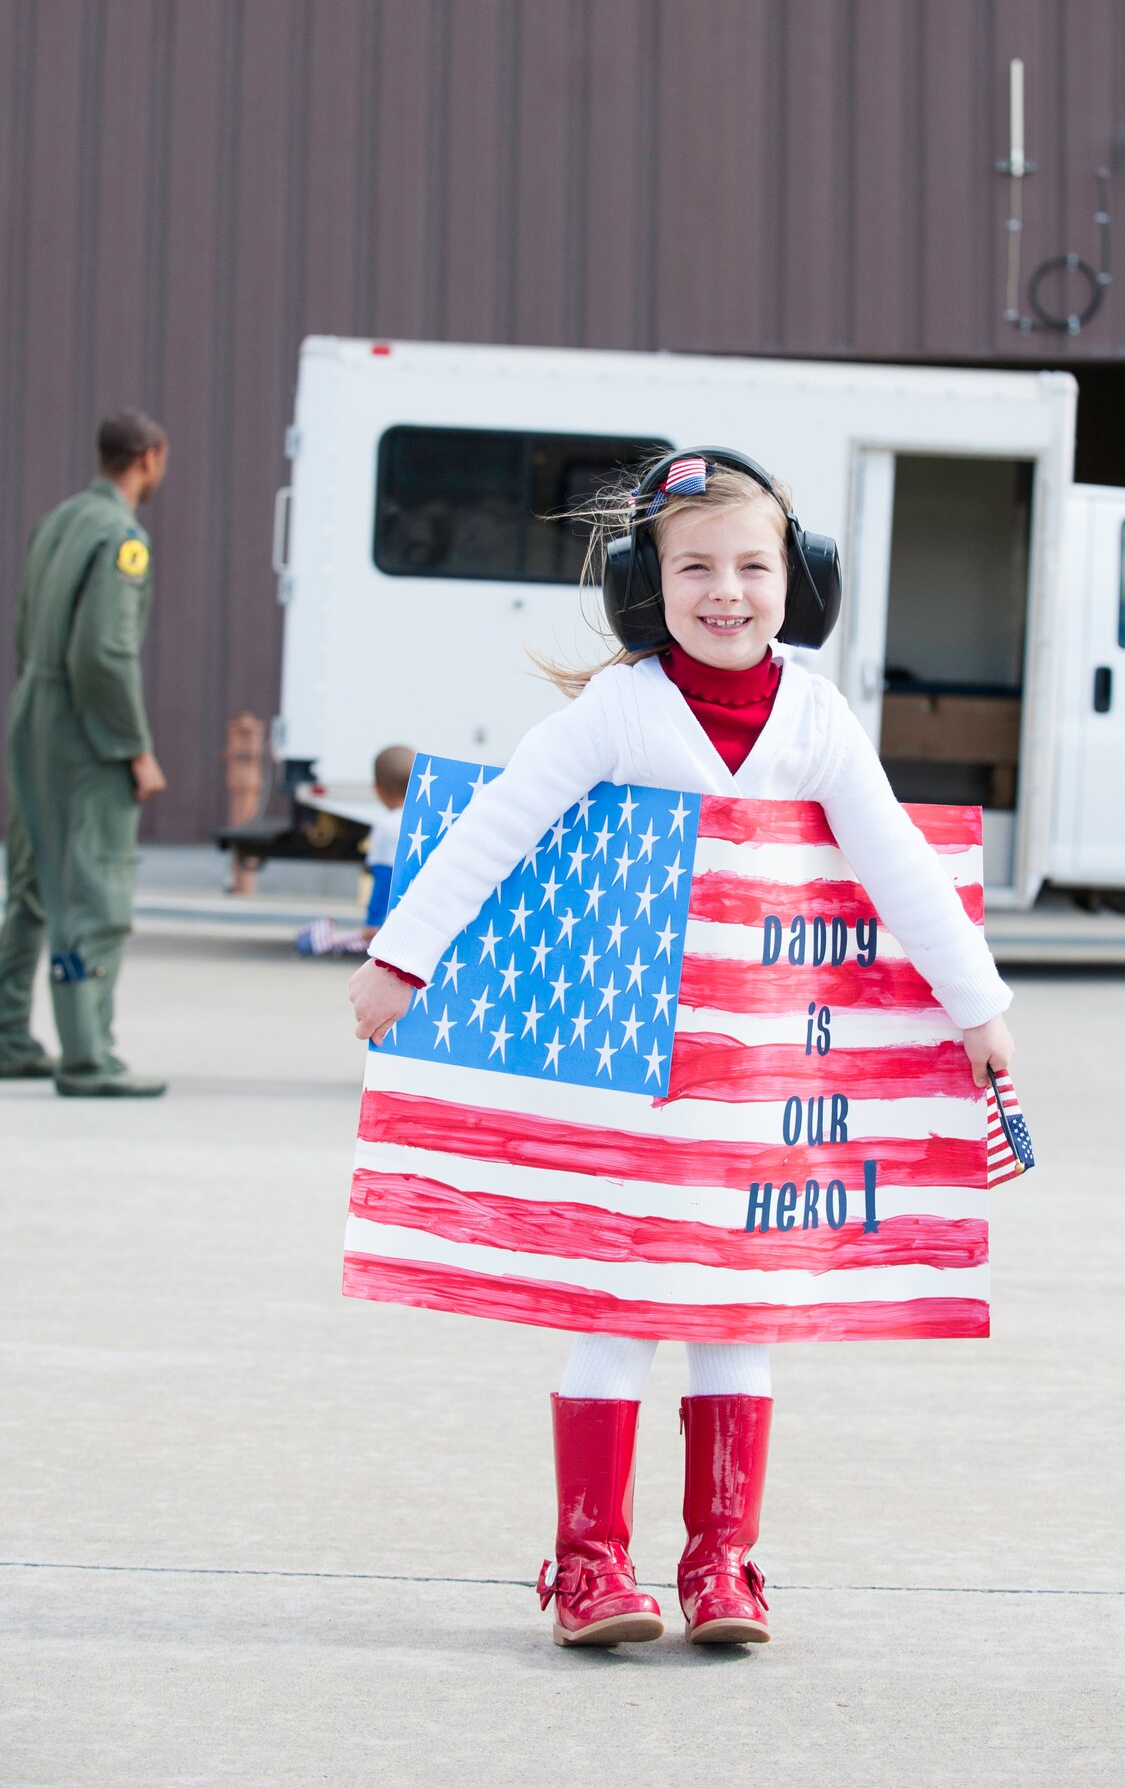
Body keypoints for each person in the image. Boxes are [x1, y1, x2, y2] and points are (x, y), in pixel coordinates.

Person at [347, 449, 1015, 1648]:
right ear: (640, 583)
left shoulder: (815, 713)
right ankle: (588, 1563)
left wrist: (976, 1003)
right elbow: (500, 826)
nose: (726, 590)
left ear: (796, 578)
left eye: (753, 565)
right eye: (694, 566)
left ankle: (723, 1564)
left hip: (751, 1083)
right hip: (630, 1088)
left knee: (735, 1308)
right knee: (614, 1297)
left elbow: (895, 868)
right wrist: (403, 955)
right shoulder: (616, 709)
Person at [0, 410, 170, 1095]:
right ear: (149, 459)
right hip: (83, 729)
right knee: (94, 890)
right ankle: (87, 1056)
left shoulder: (60, 521)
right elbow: (104, 651)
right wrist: (134, 747)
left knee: (32, 883)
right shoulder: (122, 538)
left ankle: (10, 1034)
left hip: (33, 713)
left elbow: (22, 626)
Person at [294, 744, 412, 957]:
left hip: (394, 923)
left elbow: (385, 878)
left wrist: (373, 922)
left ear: (377, 789)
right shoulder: (426, 823)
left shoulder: (387, 827)